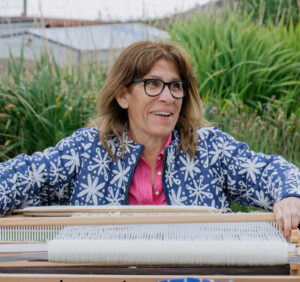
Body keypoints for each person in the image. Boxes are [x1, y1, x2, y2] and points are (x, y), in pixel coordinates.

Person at [0, 40, 299, 239]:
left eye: (175, 86)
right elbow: (22, 176)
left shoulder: (210, 149)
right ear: (122, 94)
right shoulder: (87, 150)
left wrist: (290, 196)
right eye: (153, 84)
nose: (168, 97)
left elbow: (270, 171)